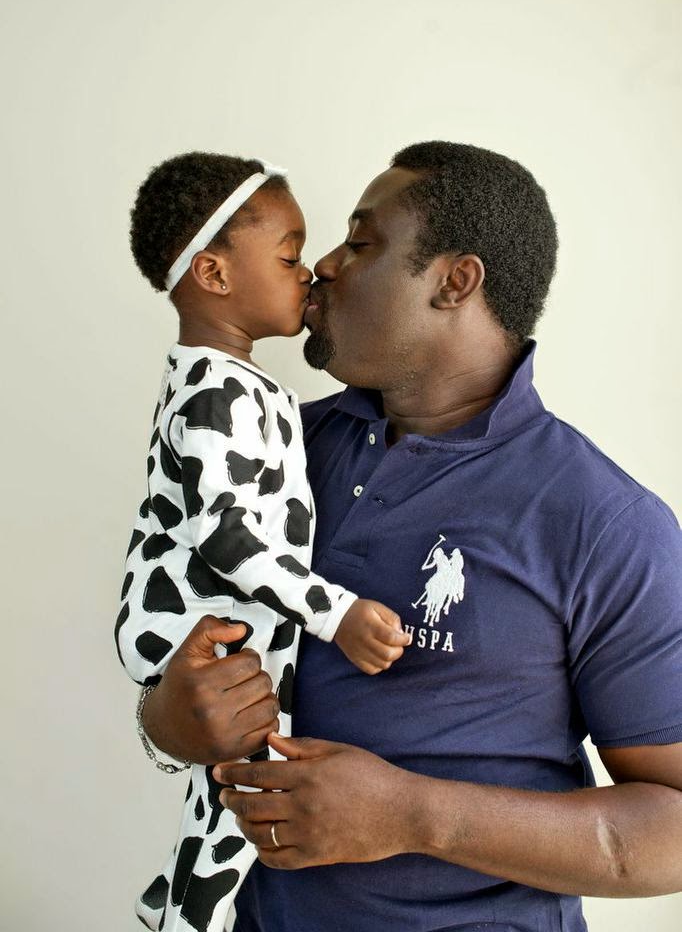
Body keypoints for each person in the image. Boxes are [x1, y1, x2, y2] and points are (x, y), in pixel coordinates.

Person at [123, 142, 682, 932]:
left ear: (455, 281)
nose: (323, 265)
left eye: (361, 243)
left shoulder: (602, 520)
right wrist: (165, 724)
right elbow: (176, 636)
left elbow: (673, 831)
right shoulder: (269, 448)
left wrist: (416, 816)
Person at [115, 152, 410, 932]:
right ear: (214, 273)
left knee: (234, 792)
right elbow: (227, 537)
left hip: (240, 618)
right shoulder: (212, 393)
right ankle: (190, 914)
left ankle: (174, 897)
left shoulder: (238, 383)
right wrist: (334, 612)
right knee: (249, 790)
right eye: (288, 256)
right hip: (206, 620)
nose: (308, 272)